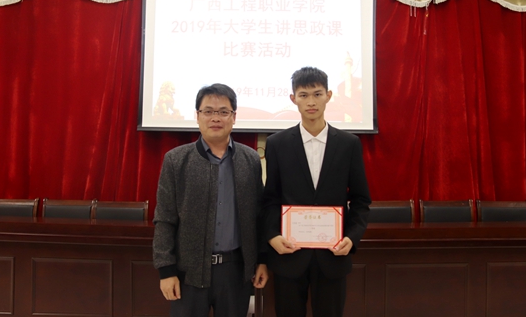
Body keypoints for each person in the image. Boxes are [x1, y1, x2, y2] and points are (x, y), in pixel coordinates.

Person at [262, 67, 371, 317]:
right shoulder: (277, 143)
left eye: (317, 94)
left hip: (332, 256)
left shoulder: (348, 144)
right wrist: (272, 236)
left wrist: (352, 237)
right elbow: (270, 199)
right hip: (288, 255)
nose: (311, 102)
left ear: (329, 96)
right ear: (293, 99)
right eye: (303, 95)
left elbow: (361, 200)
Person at [152, 83, 268, 317]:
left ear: (234, 117)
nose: (216, 118)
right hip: (188, 272)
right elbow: (164, 219)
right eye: (208, 111)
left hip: (235, 272)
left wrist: (262, 260)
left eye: (223, 112)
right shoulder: (176, 160)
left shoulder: (250, 160)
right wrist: (166, 270)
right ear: (197, 116)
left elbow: (259, 216)